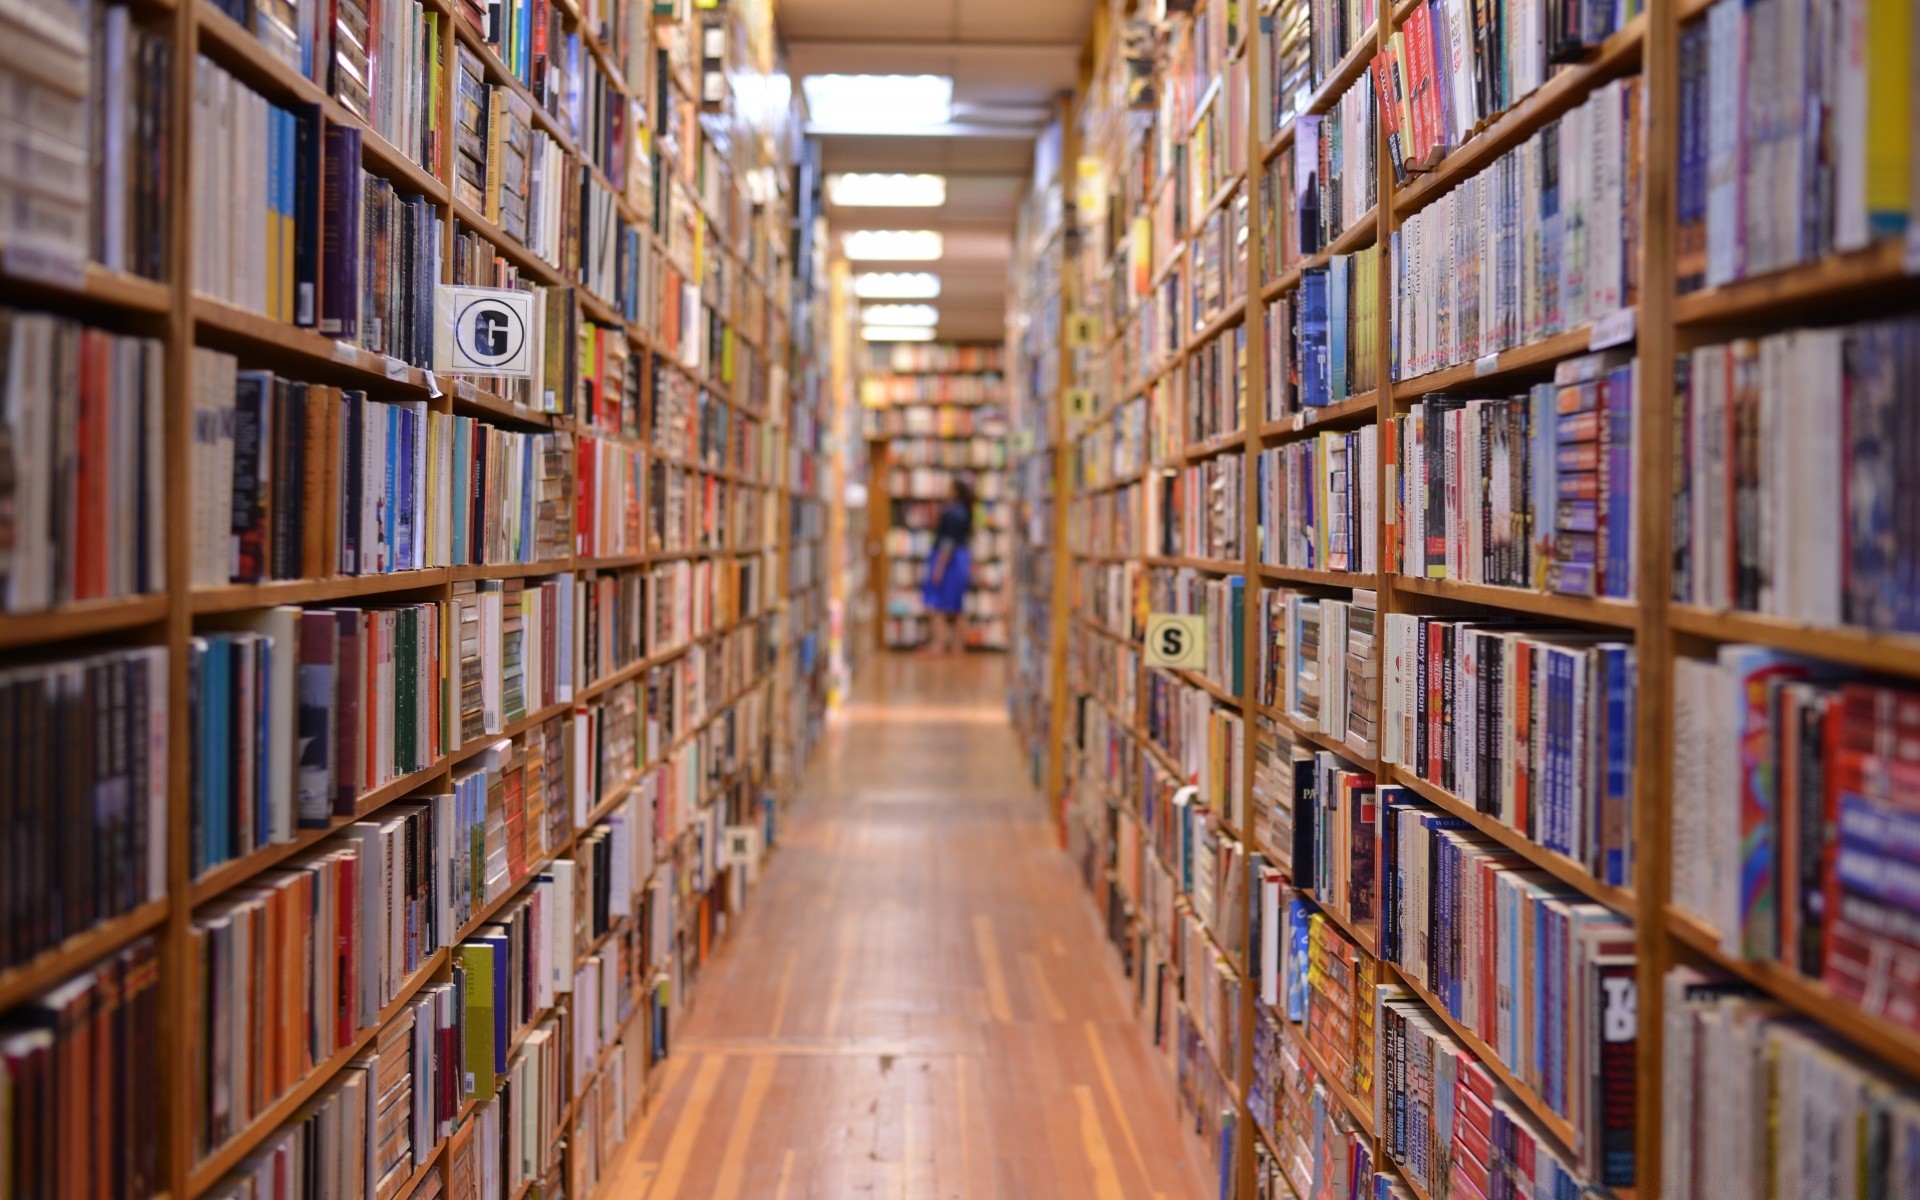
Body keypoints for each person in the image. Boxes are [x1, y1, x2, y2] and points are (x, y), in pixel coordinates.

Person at [921, 477, 975, 654]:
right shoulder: (965, 512)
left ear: (955, 492)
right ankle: (958, 645)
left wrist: (939, 568)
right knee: (957, 604)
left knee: (938, 604)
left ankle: (939, 643)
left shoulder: (952, 513)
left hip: (948, 559)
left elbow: (948, 542)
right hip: (960, 559)